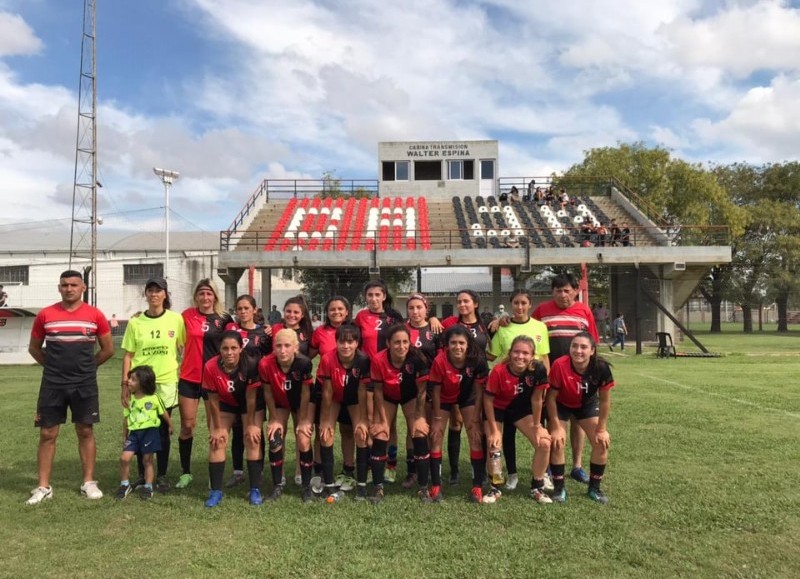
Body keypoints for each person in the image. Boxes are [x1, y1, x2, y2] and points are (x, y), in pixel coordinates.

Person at [26, 270, 114, 505]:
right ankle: (43, 487)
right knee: (47, 433)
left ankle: (88, 482)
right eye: (64, 285)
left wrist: (87, 368)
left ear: (83, 287)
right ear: (59, 288)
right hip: (52, 384)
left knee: (85, 430)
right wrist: (53, 367)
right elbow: (34, 348)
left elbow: (108, 349)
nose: (69, 288)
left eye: (74, 284)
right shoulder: (46, 314)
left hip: (84, 383)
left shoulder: (95, 315)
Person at [532, 273, 599, 485]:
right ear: (552, 292)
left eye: (567, 290)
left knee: (578, 420)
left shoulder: (584, 311)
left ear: (575, 291)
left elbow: (593, 343)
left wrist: (593, 372)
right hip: (552, 378)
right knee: (555, 422)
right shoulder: (542, 310)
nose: (563, 295)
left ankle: (577, 466)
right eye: (558, 290)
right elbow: (526, 328)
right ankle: (553, 466)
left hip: (580, 378)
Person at [120, 277, 186, 493]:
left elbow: (183, 348)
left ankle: (163, 475)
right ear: (146, 294)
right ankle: (141, 474)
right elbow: (128, 355)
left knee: (161, 429)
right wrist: (125, 385)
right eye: (150, 290)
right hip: (139, 385)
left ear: (165, 294)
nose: (154, 294)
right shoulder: (135, 322)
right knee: (139, 426)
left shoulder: (176, 320)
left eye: (159, 290)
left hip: (165, 382)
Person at [487, 288, 550, 492]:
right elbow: (490, 354)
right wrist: (492, 327)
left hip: (527, 391)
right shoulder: (503, 328)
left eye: (524, 303)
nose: (520, 307)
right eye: (516, 303)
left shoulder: (540, 327)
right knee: (498, 439)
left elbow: (545, 356)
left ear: (530, 304)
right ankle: (499, 480)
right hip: (504, 391)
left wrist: (543, 385)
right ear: (511, 304)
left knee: (543, 438)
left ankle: (540, 480)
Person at [175, 278, 232, 489]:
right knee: (187, 426)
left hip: (213, 380)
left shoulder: (224, 319)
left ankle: (213, 476)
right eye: (201, 293)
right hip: (189, 378)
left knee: (214, 427)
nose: (205, 297)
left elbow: (240, 336)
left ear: (215, 296)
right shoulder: (185, 316)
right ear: (196, 296)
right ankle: (186, 472)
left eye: (209, 293)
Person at [547, 332, 614, 504]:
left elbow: (605, 401)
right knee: (556, 441)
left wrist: (601, 429)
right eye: (574, 346)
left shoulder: (601, 367)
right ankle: (559, 488)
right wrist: (555, 427)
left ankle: (594, 488)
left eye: (583, 347)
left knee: (601, 443)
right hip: (561, 404)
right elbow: (551, 398)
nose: (578, 350)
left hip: (586, 405)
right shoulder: (559, 365)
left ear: (592, 350)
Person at [484, 335, 552, 504]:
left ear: (532, 355)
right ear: (510, 352)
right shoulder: (499, 371)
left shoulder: (538, 370)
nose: (520, 356)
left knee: (544, 443)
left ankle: (537, 487)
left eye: (525, 353)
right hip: (497, 409)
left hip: (520, 410)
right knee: (494, 444)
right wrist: (493, 430)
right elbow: (488, 400)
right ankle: (495, 487)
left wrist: (537, 426)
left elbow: (537, 399)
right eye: (516, 352)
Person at [202, 330, 265, 507]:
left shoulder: (251, 364)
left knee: (252, 438)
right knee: (217, 440)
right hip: (226, 403)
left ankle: (255, 489)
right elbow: (212, 398)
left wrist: (251, 424)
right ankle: (215, 491)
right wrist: (216, 427)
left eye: (233, 348)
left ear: (241, 348)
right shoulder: (210, 366)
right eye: (225, 348)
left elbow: (251, 398)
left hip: (250, 404)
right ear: (219, 349)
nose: (229, 352)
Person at [369, 324, 430, 503]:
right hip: (387, 395)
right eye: (397, 342)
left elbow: (421, 391)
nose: (401, 346)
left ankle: (423, 487)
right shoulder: (379, 359)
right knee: (381, 433)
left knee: (418, 432)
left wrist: (419, 417)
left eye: (405, 342)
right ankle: (378, 488)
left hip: (411, 395)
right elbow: (378, 391)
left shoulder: (417, 358)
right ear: (388, 343)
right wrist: (381, 420)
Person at [428, 326, 489, 503]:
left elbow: (479, 392)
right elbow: (436, 392)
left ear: (468, 344)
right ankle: (436, 486)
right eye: (453, 343)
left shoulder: (476, 359)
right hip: (445, 398)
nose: (457, 346)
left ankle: (477, 486)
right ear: (447, 345)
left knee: (476, 435)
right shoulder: (440, 361)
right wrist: (438, 418)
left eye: (461, 343)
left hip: (468, 397)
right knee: (436, 435)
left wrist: (476, 418)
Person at [441, 290, 491, 485]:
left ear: (475, 304)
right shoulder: (449, 324)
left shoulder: (485, 325)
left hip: (477, 381)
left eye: (466, 301)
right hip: (454, 381)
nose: (462, 305)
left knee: (476, 426)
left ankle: (478, 470)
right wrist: (434, 320)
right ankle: (454, 471)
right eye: (459, 302)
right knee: (455, 424)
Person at [316, 324, 371, 501]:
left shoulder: (363, 360)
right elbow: (327, 392)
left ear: (357, 343)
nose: (345, 346)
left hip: (355, 398)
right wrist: (325, 420)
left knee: (361, 434)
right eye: (342, 342)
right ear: (336, 342)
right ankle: (329, 484)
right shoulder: (327, 359)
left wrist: (363, 419)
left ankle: (361, 485)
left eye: (350, 342)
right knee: (326, 434)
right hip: (334, 398)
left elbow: (362, 391)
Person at [259, 329, 314, 501]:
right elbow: (267, 392)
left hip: (301, 403)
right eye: (279, 346)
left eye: (287, 346)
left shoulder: (304, 363)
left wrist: (304, 420)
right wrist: (274, 419)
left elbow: (306, 393)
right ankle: (277, 484)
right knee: (274, 437)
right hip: (279, 402)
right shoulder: (265, 364)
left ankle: (306, 486)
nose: (282, 350)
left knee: (303, 437)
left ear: (296, 347)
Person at [225, 294, 272, 488]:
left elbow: (270, 359)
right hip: (234, 388)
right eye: (239, 308)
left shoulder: (264, 334)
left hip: (256, 387)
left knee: (254, 430)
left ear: (255, 310)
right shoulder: (231, 330)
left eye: (246, 308)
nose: (243, 312)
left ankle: (257, 470)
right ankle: (237, 472)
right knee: (237, 431)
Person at [115, 366, 173, 501]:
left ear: (143, 382)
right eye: (129, 378)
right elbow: (126, 418)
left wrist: (170, 425)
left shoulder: (154, 398)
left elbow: (163, 413)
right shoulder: (129, 400)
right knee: (124, 458)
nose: (128, 381)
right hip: (134, 434)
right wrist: (125, 435)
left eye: (133, 379)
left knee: (147, 460)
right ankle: (124, 485)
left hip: (150, 433)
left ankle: (148, 487)